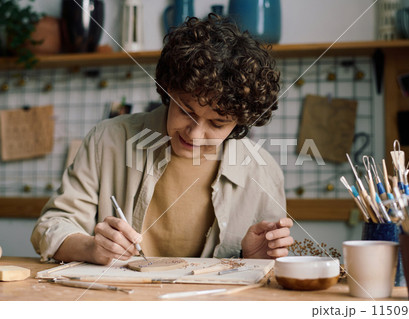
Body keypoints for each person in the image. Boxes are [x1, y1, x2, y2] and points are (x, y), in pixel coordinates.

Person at [31, 14, 293, 265]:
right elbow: (51, 227)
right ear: (169, 92)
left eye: (217, 123)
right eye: (185, 111)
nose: (194, 133)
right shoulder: (108, 139)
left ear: (240, 122)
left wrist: (252, 261)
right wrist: (91, 248)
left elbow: (267, 271)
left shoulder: (264, 171)